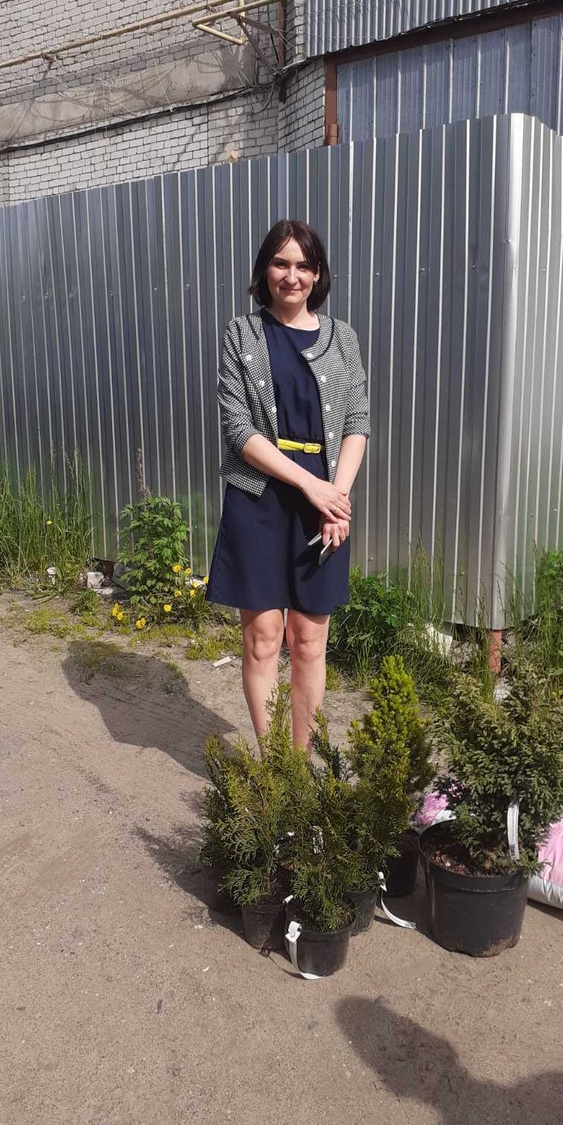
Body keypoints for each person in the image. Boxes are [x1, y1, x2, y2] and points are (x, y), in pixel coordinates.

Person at [206, 219, 370, 748]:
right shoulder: (241, 334)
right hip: (259, 499)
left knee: (309, 640)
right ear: (265, 270)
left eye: (303, 265)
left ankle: (299, 769)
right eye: (280, 263)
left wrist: (335, 498)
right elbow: (239, 430)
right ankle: (273, 765)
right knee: (262, 639)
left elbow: (357, 422)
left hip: (323, 500)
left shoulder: (343, 338)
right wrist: (311, 486)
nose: (291, 276)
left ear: (317, 273)